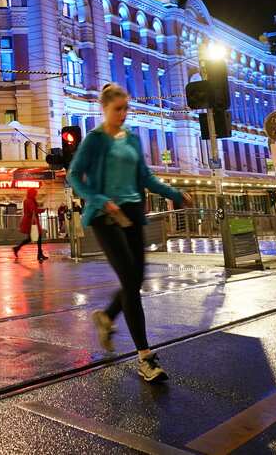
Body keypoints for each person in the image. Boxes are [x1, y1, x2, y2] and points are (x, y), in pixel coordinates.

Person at [69, 82, 190, 384]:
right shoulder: (95, 140)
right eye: (117, 109)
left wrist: (174, 194)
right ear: (104, 108)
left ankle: (108, 316)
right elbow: (74, 175)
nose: (123, 114)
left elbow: (145, 177)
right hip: (105, 217)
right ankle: (146, 357)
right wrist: (98, 200)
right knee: (130, 284)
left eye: (126, 109)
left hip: (134, 214)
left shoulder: (133, 140)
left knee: (135, 280)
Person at [12, 188, 46, 262]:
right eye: (35, 193)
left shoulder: (27, 200)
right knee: (38, 236)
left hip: (29, 221)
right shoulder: (29, 201)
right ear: (32, 194)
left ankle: (17, 248)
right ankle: (39, 254)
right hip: (31, 221)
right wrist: (42, 210)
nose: (36, 195)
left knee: (31, 238)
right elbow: (33, 211)